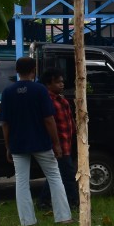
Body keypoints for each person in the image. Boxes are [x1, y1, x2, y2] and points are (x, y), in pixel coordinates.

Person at [0, 57, 72, 226]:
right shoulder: (40, 90)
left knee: (22, 182)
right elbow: (49, 119)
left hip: (18, 143)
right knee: (54, 177)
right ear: (33, 70)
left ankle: (27, 221)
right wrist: (56, 143)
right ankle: (63, 217)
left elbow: (5, 123)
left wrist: (8, 146)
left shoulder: (7, 92)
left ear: (17, 71)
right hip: (41, 142)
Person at [37, 69, 79, 208]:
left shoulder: (61, 99)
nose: (61, 84)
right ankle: (73, 201)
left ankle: (44, 201)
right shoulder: (47, 101)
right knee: (67, 173)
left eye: (62, 81)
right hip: (58, 144)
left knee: (57, 173)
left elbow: (69, 119)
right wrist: (56, 144)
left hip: (66, 142)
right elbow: (49, 122)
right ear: (48, 84)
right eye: (57, 82)